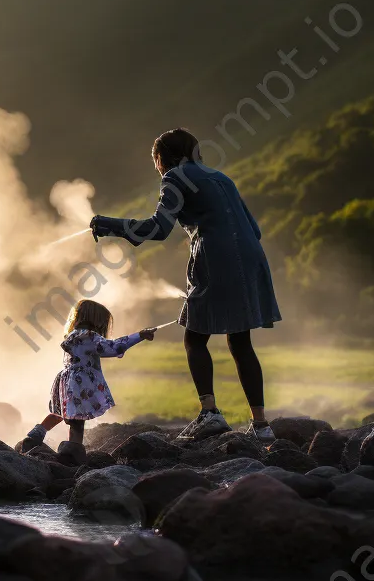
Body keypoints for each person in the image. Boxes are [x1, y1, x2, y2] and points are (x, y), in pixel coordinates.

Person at [90, 127, 280, 442]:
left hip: (216, 257)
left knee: (194, 338)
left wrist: (110, 225)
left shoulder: (175, 178)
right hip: (252, 258)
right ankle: (261, 426)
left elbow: (159, 228)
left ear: (164, 157)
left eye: (156, 162)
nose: (157, 170)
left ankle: (210, 414)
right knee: (240, 340)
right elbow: (255, 229)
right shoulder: (221, 177)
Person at [24, 299, 156, 449]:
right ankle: (72, 451)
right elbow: (114, 347)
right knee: (77, 422)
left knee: (59, 412)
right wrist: (140, 335)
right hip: (79, 384)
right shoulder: (90, 337)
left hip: (65, 381)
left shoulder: (73, 335)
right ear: (97, 321)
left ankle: (36, 434)